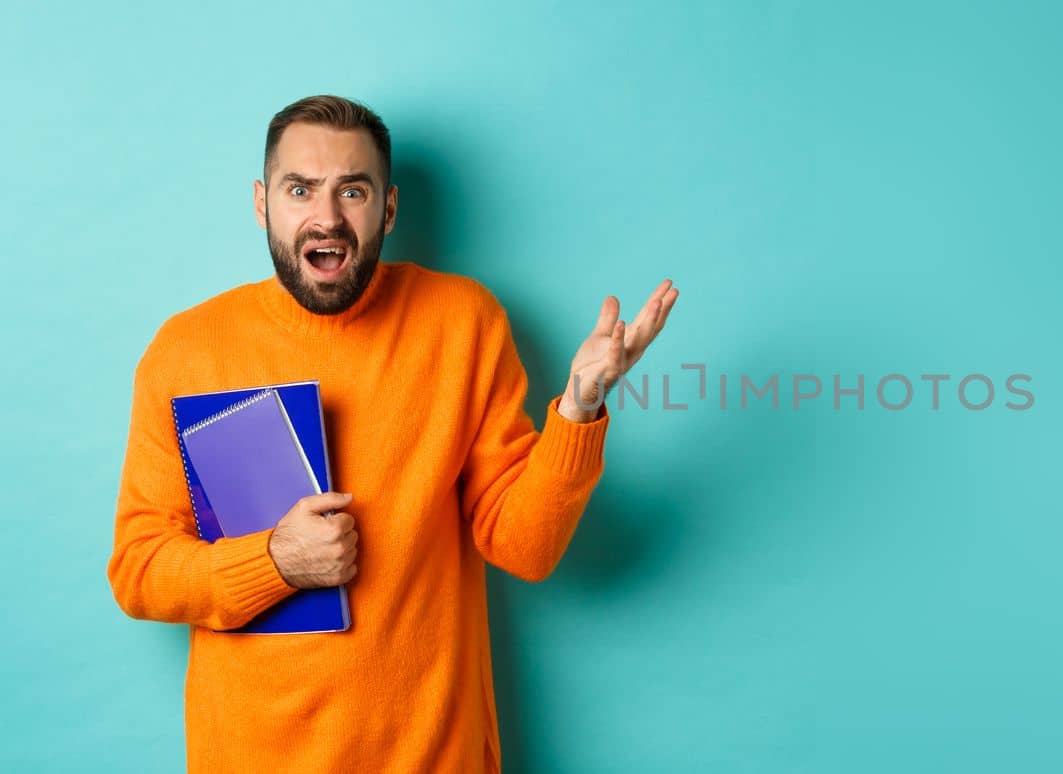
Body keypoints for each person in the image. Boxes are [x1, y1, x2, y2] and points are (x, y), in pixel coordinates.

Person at [106, 94, 678, 772]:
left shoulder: (463, 324)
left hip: (432, 755)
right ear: (262, 204)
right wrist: (276, 561)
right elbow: (139, 570)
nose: (326, 217)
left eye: (353, 189)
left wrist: (581, 406)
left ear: (389, 207)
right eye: (300, 189)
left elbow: (525, 548)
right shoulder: (188, 351)